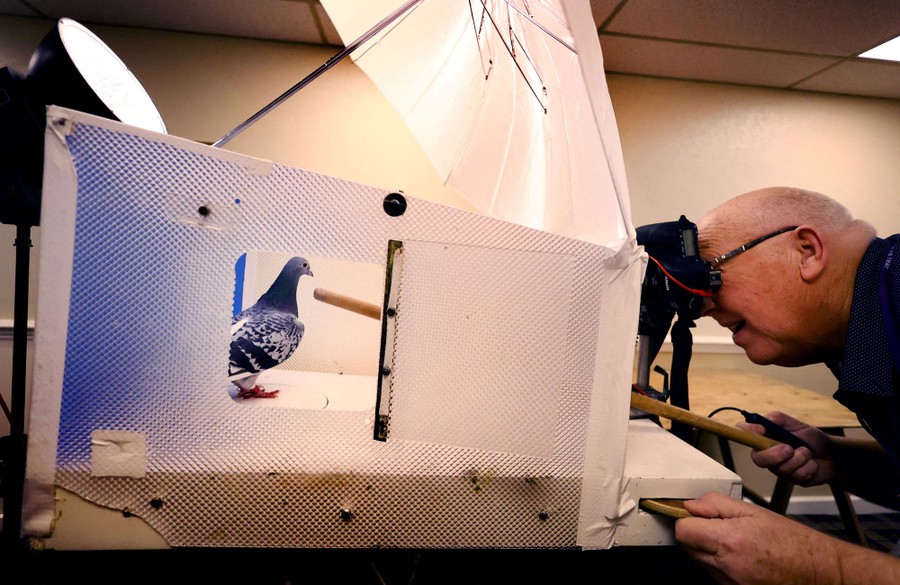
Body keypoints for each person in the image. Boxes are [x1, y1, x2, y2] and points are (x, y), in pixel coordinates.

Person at [673, 186, 900, 584]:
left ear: (807, 251)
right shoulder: (861, 322)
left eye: (712, 275)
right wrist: (841, 460)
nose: (704, 305)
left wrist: (825, 567)